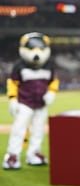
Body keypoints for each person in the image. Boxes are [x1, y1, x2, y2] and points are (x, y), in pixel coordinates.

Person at [3, 32, 59, 170]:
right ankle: (12, 156)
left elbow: (54, 82)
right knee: (19, 129)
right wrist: (12, 99)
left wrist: (51, 93)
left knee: (38, 130)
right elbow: (12, 83)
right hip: (24, 103)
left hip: (41, 105)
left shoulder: (49, 66)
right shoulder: (19, 66)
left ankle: (34, 154)